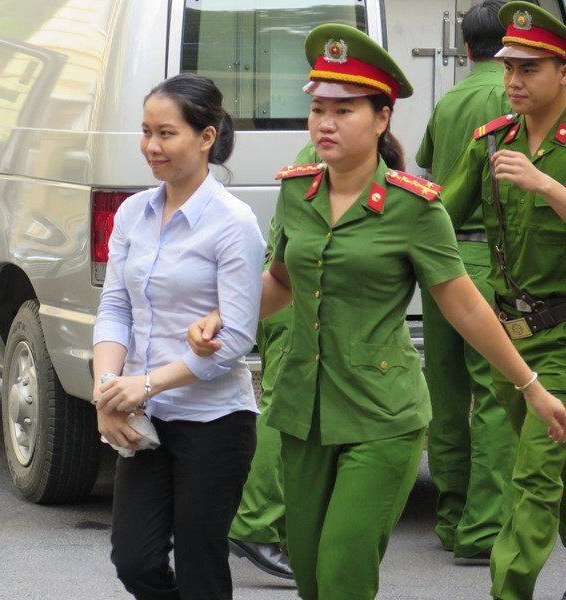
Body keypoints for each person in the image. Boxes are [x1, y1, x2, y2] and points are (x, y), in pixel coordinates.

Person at [188, 23, 566, 600]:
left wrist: (531, 384)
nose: (326, 123)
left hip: (381, 414)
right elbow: (282, 281)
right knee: (313, 578)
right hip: (303, 411)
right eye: (318, 108)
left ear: (382, 119)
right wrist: (225, 316)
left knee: (342, 575)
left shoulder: (415, 209)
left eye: (344, 109)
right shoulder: (298, 191)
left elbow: (464, 305)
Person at [92, 73, 266, 599]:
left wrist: (144, 385)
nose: (151, 146)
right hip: (144, 419)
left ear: (206, 137)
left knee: (200, 565)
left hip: (213, 421)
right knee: (135, 560)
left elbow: (235, 337)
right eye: (145, 132)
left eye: (166, 133)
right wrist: (109, 390)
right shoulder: (131, 212)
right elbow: (115, 305)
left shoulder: (234, 223)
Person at [440, 3, 566, 597]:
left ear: (563, 71)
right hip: (510, 343)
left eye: (529, 68)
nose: (513, 80)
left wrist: (547, 185)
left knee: (536, 479)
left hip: (564, 342)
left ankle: (506, 591)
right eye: (508, 67)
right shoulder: (492, 141)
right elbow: (437, 215)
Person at [415, 0, 516, 561]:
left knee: (448, 394)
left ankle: (452, 520)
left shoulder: (449, 97)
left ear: (466, 46)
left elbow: (430, 173)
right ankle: (483, 530)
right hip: (490, 263)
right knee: (500, 395)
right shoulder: (513, 96)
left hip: (441, 262)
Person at [228, 217, 294, 580]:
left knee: (285, 406)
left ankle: (275, 524)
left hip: (288, 287)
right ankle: (254, 522)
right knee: (284, 406)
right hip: (300, 292)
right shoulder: (325, 163)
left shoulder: (306, 162)